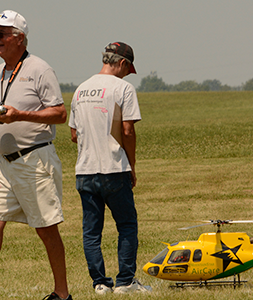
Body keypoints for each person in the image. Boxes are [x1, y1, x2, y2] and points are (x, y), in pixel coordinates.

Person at [0, 10, 71, 300]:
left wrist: (20, 116)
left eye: (1, 34)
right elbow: (2, 113)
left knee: (46, 230)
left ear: (19, 38)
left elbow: (60, 114)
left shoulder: (40, 69)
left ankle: (62, 295)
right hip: (4, 164)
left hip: (34, 161)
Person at [68, 42, 151, 295]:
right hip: (115, 168)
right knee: (126, 225)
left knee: (91, 230)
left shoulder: (80, 89)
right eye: (128, 68)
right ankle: (125, 282)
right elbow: (127, 130)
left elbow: (73, 135)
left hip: (85, 170)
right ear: (123, 63)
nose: (128, 74)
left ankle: (100, 284)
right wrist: (132, 165)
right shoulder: (123, 88)